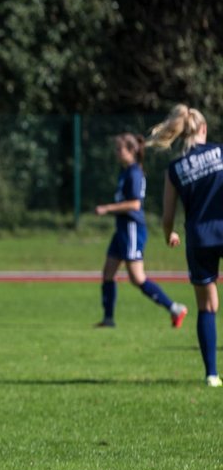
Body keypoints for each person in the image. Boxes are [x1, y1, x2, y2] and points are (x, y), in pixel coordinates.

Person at [151, 105, 223, 386]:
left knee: (207, 305)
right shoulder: (220, 152)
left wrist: (169, 234)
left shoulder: (175, 169)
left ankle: (212, 375)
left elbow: (167, 216)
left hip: (200, 239)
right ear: (203, 129)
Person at [94, 132, 187, 328]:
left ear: (132, 151)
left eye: (120, 149)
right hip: (121, 228)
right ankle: (108, 319)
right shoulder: (125, 171)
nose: (116, 153)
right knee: (108, 272)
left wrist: (107, 208)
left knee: (137, 278)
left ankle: (174, 308)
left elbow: (135, 204)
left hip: (132, 229)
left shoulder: (135, 173)